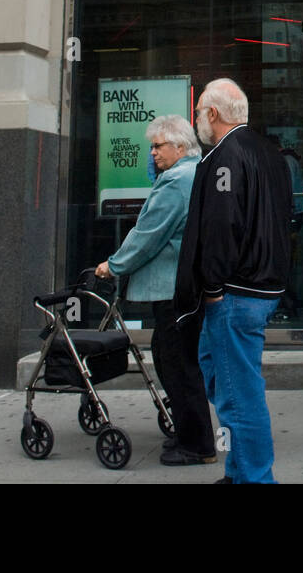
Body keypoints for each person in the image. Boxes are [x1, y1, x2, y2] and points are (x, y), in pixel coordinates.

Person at [174, 78, 292, 484]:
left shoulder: (225, 156)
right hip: (258, 286)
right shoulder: (268, 153)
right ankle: (240, 469)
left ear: (213, 114)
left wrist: (212, 287)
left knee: (238, 393)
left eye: (198, 112)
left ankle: (255, 477)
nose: (196, 121)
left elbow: (222, 224)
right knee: (219, 373)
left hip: (236, 292)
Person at [95, 115, 213, 466]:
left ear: (180, 147)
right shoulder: (195, 173)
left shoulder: (176, 180)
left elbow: (149, 234)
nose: (152, 153)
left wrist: (113, 265)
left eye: (158, 146)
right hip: (185, 286)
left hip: (171, 288)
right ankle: (191, 433)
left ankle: (197, 443)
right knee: (177, 359)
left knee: (175, 362)